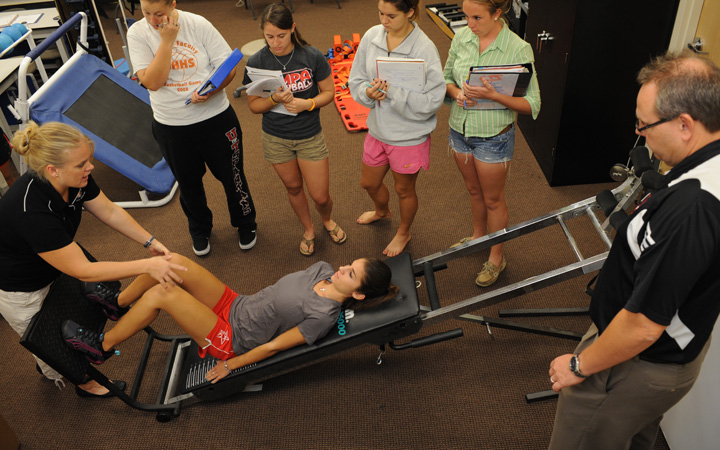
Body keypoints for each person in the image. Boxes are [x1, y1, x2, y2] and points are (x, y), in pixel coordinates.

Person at [547, 52, 720, 450]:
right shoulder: (704, 166)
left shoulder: (692, 209)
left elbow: (643, 324)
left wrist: (579, 365)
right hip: (665, 354)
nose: (640, 135)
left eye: (644, 125)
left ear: (685, 125)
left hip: (636, 363)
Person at [0, 121, 187, 397]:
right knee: (58, 358)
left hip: (54, 264)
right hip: (21, 287)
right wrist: (148, 265)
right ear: (53, 170)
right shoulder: (30, 209)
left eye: (89, 159)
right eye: (81, 164)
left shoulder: (76, 177)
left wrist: (150, 242)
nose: (91, 167)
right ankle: (81, 382)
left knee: (74, 320)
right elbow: (83, 270)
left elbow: (109, 212)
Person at [62, 253, 398, 383]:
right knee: (172, 263)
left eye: (350, 274)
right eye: (349, 264)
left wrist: (232, 365)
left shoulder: (322, 316)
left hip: (233, 337)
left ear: (357, 294)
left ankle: (101, 346)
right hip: (235, 303)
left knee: (163, 293)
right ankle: (117, 304)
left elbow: (275, 347)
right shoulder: (323, 270)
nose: (341, 269)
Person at [127, 0, 258, 257]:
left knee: (233, 176)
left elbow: (228, 69)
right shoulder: (138, 33)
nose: (153, 20)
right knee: (188, 184)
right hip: (171, 125)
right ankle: (199, 229)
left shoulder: (198, 24)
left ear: (173, 4)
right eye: (146, 13)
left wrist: (211, 91)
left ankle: (245, 222)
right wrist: (166, 40)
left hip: (216, 119)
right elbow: (153, 82)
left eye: (159, 14)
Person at [443, 0, 540, 286]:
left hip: (493, 137)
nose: (469, 24)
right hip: (459, 130)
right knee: (474, 191)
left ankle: (497, 255)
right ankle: (478, 237)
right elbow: (446, 77)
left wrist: (494, 95)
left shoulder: (518, 48)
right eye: (465, 16)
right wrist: (457, 93)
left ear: (497, 13)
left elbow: (532, 103)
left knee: (493, 199)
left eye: (477, 17)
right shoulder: (462, 37)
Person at [243, 3, 346, 256]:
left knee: (320, 196)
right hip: (276, 137)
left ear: (292, 29)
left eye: (281, 35)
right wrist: (275, 100)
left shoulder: (311, 56)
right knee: (293, 188)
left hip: (309, 134)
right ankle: (309, 229)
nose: (275, 43)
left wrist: (307, 103)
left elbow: (329, 93)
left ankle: (327, 220)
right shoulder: (257, 61)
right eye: (269, 37)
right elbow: (254, 106)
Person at [348, 0, 445, 257]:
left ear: (410, 12)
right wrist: (368, 93)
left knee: (404, 190)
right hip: (378, 129)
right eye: (380, 13)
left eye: (391, 15)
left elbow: (433, 101)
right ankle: (382, 211)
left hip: (409, 136)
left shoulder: (424, 48)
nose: (384, 21)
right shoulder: (372, 36)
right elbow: (355, 79)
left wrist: (393, 93)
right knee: (368, 183)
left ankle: (404, 231)